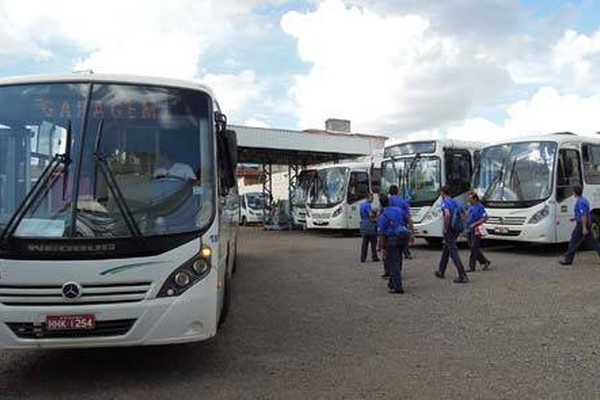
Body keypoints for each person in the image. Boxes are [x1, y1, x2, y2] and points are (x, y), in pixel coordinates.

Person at [377, 194, 412, 294]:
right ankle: (392, 282)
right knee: (398, 259)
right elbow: (408, 219)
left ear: (380, 204)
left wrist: (382, 248)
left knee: (393, 263)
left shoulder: (383, 216)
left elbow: (382, 234)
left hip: (392, 239)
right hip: (404, 236)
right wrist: (412, 233)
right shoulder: (398, 210)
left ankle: (398, 287)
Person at [434, 185, 469, 283]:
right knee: (447, 248)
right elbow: (465, 214)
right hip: (457, 229)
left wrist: (445, 228)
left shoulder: (445, 203)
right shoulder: (456, 202)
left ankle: (462, 275)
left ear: (442, 193)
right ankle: (441, 270)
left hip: (449, 230)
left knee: (453, 251)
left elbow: (447, 215)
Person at [559, 185, 600, 265]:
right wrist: (575, 218)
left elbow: (584, 215)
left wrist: (584, 227)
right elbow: (584, 214)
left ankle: (568, 260)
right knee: (594, 242)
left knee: (573, 241)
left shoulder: (580, 202)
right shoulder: (584, 200)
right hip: (586, 223)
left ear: (574, 193)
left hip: (582, 225)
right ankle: (568, 259)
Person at [466, 192, 491, 272]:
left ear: (475, 199)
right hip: (469, 229)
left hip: (476, 230)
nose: (468, 200)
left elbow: (484, 218)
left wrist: (475, 224)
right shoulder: (471, 207)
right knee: (472, 247)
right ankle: (485, 261)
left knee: (474, 247)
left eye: (470, 198)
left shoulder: (480, 207)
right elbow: (468, 216)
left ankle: (471, 266)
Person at [388, 185, 413, 260]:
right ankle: (407, 253)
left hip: (391, 223)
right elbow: (408, 215)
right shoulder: (402, 200)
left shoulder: (388, 200)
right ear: (397, 191)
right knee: (404, 239)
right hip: (402, 223)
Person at [359, 193, 380, 263]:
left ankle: (363, 257)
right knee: (373, 242)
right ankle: (374, 257)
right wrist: (376, 215)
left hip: (363, 224)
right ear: (368, 198)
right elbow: (370, 215)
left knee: (364, 242)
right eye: (371, 198)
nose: (372, 200)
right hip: (370, 225)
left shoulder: (362, 205)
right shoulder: (368, 205)